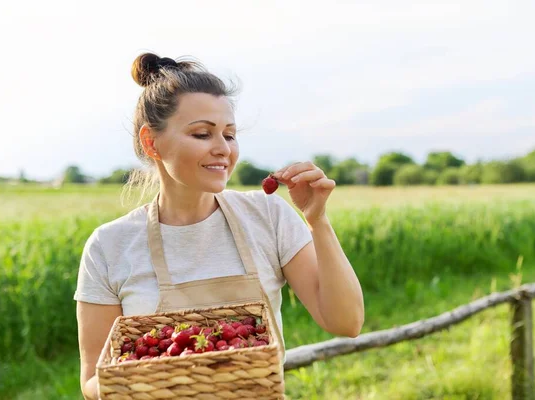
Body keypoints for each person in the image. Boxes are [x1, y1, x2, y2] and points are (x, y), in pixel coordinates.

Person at [74, 52, 365, 400]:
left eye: (229, 135)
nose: (222, 149)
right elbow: (92, 380)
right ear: (151, 142)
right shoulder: (109, 246)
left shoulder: (269, 217)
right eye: (202, 134)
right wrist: (151, 378)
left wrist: (318, 221)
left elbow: (347, 322)